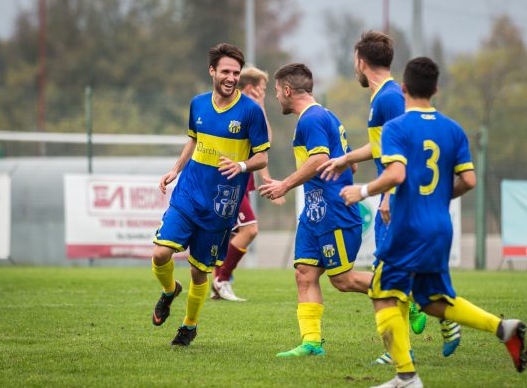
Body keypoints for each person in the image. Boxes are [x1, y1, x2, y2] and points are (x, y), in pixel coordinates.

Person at [340, 57, 527, 388]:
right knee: (431, 300)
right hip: (440, 227)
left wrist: (363, 190)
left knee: (382, 295)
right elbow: (469, 180)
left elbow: (396, 174)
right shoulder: (453, 129)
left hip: (408, 226)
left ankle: (407, 376)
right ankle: (503, 327)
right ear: (436, 89)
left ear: (404, 88)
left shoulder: (397, 127)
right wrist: (439, 200)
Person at [319, 31, 462, 362]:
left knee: (390, 274)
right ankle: (414, 339)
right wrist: (346, 158)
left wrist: (388, 194)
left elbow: (407, 147)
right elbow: (384, 147)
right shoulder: (383, 97)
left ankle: (433, 328)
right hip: (395, 194)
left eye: (354, 61)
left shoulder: (389, 98)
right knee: (397, 273)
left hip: (397, 198)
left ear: (361, 62)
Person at [150, 43, 270, 347]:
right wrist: (175, 169)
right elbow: (192, 140)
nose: (231, 77)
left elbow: (263, 157)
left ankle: (189, 325)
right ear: (212, 71)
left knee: (199, 271)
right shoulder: (198, 104)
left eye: (236, 73)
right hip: (189, 193)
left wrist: (242, 164)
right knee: (160, 252)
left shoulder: (251, 112)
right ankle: (168, 292)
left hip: (221, 205)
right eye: (226, 71)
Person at [259, 63, 371, 357]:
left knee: (343, 280)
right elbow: (351, 161)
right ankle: (311, 343)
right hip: (315, 212)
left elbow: (319, 158)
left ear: (286, 90)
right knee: (304, 273)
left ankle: (404, 293)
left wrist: (284, 185)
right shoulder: (326, 116)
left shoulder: (311, 119)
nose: (277, 99)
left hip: (334, 210)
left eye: (276, 92)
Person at [211, 66, 285, 302]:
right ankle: (221, 279)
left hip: (234, 179)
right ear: (252, 88)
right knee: (249, 229)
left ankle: (217, 280)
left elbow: (261, 147)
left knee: (226, 234)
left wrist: (265, 176)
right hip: (228, 179)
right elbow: (265, 142)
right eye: (263, 89)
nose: (266, 93)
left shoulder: (244, 109)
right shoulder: (243, 109)